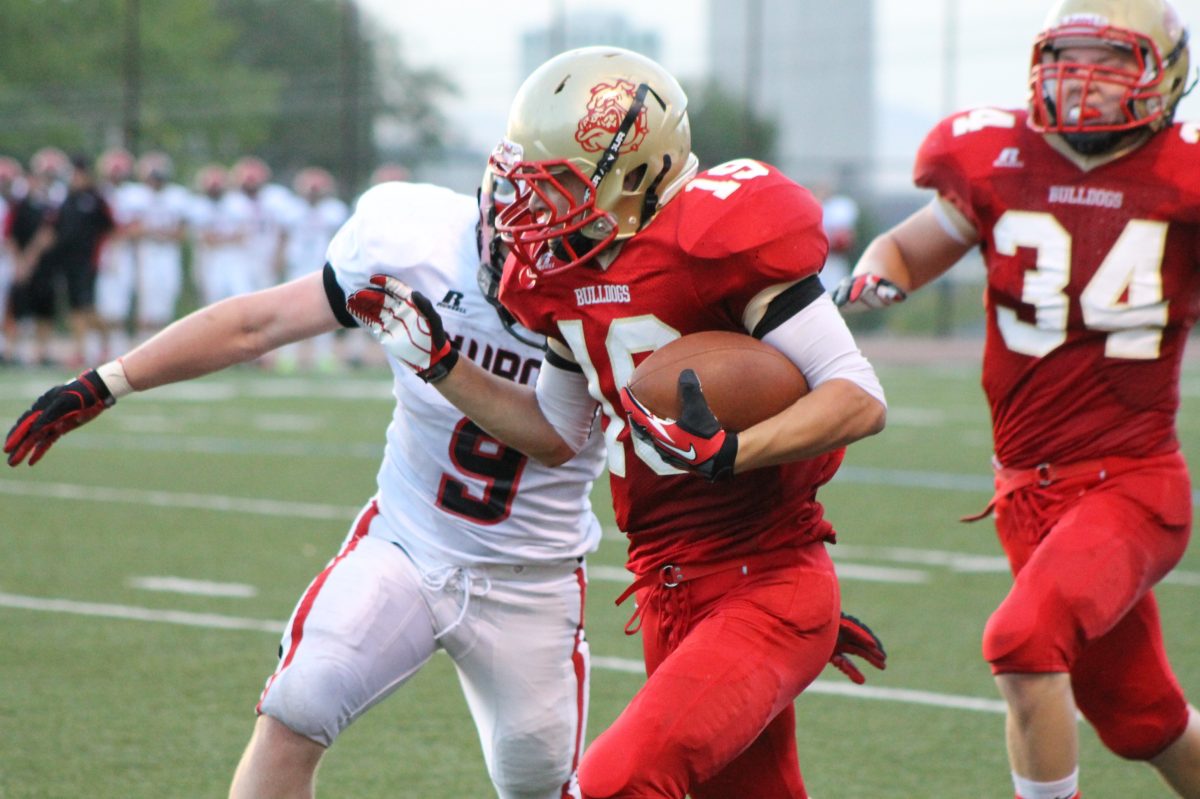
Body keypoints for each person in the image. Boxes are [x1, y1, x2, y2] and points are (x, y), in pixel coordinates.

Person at [346, 47, 889, 799]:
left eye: (556, 185)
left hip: (765, 576)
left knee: (614, 782)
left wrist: (733, 451)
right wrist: (443, 365)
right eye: (524, 187)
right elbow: (557, 432)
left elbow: (858, 396)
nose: (526, 212)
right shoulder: (561, 278)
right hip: (669, 590)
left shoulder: (718, 233)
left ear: (637, 173)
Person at [4, 174, 609, 799]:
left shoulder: (617, 294)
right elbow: (258, 323)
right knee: (297, 707)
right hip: (408, 545)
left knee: (540, 784)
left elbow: (557, 437)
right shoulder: (414, 242)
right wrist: (110, 381)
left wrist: (444, 365)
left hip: (533, 579)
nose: (536, 263)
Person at [833, 1, 1200, 797]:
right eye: (1066, 56)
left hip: (1131, 484)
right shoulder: (1001, 156)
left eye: (1108, 61)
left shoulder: (1184, 173)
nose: (1080, 79)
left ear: (1164, 76)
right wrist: (883, 270)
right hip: (1024, 493)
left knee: (1023, 641)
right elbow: (909, 242)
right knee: (1143, 717)